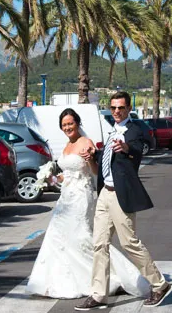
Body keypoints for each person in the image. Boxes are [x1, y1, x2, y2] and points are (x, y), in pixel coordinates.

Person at [26, 108, 149, 299]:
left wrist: (91, 159)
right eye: (64, 125)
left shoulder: (86, 142)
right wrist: (51, 179)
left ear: (77, 123)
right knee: (57, 235)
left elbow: (94, 171)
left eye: (70, 123)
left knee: (81, 236)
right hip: (66, 198)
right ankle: (58, 280)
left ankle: (110, 278)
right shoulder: (67, 146)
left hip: (81, 197)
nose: (67, 127)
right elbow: (66, 175)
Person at [75, 91, 172, 311]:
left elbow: (136, 150)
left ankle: (159, 284)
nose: (117, 111)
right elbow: (107, 160)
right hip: (104, 194)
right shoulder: (112, 131)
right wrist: (94, 154)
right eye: (113, 108)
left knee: (129, 242)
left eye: (121, 108)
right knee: (99, 243)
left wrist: (126, 148)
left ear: (128, 108)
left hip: (121, 195)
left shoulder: (134, 131)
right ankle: (98, 294)